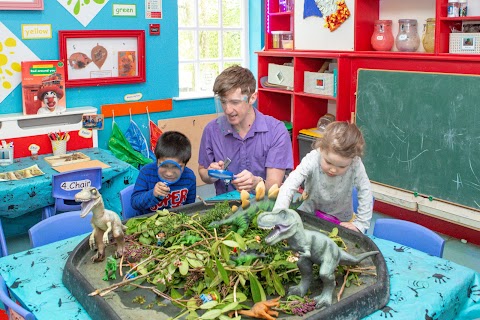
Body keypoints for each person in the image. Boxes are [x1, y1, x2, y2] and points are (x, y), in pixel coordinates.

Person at [198, 66, 293, 195]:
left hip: (263, 208)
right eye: (223, 102)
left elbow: (274, 186)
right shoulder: (211, 130)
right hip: (225, 207)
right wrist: (212, 174)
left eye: (235, 102)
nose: (227, 110)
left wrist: (256, 182)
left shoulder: (276, 131)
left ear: (252, 98)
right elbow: (203, 171)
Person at [273, 121, 373, 233]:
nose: (333, 169)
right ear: (321, 148)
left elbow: (366, 191)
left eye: (342, 166)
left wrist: (361, 223)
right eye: (328, 162)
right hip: (309, 214)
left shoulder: (355, 164)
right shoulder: (313, 158)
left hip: (341, 221)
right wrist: (279, 213)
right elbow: (290, 184)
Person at [131, 131, 196, 215]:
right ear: (157, 160)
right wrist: (153, 194)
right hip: (148, 221)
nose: (169, 173)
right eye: (164, 165)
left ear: (185, 164)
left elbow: (190, 207)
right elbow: (134, 203)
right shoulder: (146, 172)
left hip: (177, 221)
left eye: (176, 167)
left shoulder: (189, 177)